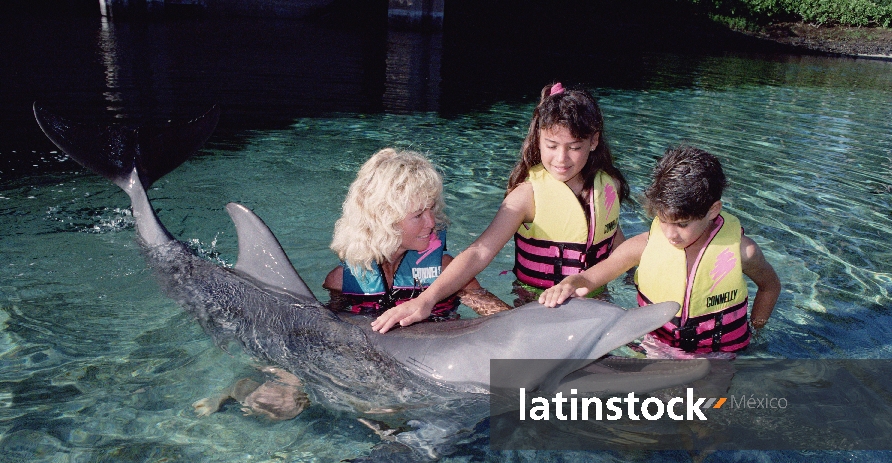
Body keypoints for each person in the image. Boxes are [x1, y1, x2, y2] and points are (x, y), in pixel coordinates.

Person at [371, 82, 629, 333]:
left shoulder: (609, 187)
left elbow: (608, 236)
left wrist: (633, 278)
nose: (561, 159)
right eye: (552, 146)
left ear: (593, 141)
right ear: (538, 138)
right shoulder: (527, 196)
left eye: (574, 148)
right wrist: (425, 300)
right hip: (537, 306)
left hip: (596, 301)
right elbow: (479, 253)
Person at [539, 145, 781, 355]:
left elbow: (770, 286)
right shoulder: (642, 247)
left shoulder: (742, 252)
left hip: (720, 356)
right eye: (663, 220)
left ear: (713, 210)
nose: (670, 234)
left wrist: (756, 330)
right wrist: (569, 283)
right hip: (655, 349)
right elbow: (591, 277)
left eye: (683, 224)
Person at [324, 148, 509, 318]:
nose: (431, 222)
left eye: (432, 209)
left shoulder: (447, 272)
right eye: (418, 215)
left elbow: (501, 318)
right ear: (383, 220)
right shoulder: (341, 281)